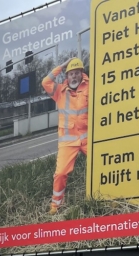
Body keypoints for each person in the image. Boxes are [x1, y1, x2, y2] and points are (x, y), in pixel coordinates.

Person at [42, 57, 89, 214]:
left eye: (76, 73)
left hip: (88, 138)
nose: (73, 76)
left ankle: (109, 195)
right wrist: (61, 66)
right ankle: (56, 206)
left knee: (103, 164)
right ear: (66, 76)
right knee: (60, 173)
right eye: (70, 74)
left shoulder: (91, 87)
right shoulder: (59, 91)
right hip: (68, 142)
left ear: (82, 74)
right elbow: (45, 82)